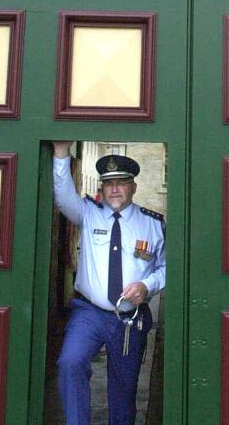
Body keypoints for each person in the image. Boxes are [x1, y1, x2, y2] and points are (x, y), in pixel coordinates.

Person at [52, 142, 166, 425]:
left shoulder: (153, 225)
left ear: (134, 187)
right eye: (108, 183)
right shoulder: (88, 213)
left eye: (121, 183)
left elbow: (167, 268)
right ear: (101, 188)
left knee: (124, 389)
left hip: (130, 319)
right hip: (89, 313)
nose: (114, 189)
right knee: (70, 362)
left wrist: (147, 285)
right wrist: (61, 153)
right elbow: (64, 196)